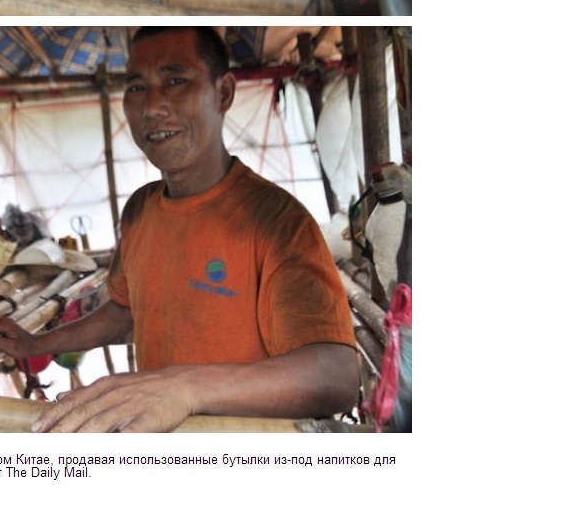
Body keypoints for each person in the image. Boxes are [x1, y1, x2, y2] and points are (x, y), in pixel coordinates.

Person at [58, 30, 361, 421]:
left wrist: (187, 388)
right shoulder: (139, 210)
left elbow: (336, 377)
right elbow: (123, 308)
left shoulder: (275, 222)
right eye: (136, 86)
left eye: (176, 80)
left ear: (223, 94)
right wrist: (36, 343)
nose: (152, 107)